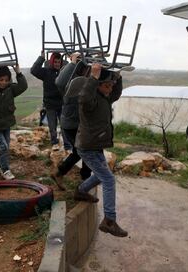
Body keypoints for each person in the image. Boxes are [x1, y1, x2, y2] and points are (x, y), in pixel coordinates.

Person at [75, 63, 127, 238]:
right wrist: (93, 77)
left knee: (100, 175)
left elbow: (116, 93)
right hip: (88, 147)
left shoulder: (105, 97)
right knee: (108, 180)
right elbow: (83, 97)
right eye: (107, 85)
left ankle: (81, 191)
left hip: (94, 146)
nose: (110, 88)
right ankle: (109, 221)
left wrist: (117, 78)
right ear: (97, 85)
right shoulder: (90, 101)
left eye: (111, 85)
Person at [51, 52, 91, 190]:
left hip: (82, 122)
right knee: (84, 150)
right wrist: (73, 63)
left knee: (81, 151)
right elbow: (60, 82)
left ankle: (61, 173)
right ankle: (84, 180)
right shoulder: (70, 77)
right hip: (72, 122)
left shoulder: (88, 76)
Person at [30, 51, 72, 150]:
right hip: (50, 105)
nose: (57, 64)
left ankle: (67, 145)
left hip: (62, 104)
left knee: (64, 126)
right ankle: (54, 143)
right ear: (52, 62)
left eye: (59, 62)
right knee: (52, 127)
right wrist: (41, 58)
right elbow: (34, 70)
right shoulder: (46, 72)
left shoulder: (64, 72)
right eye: (55, 62)